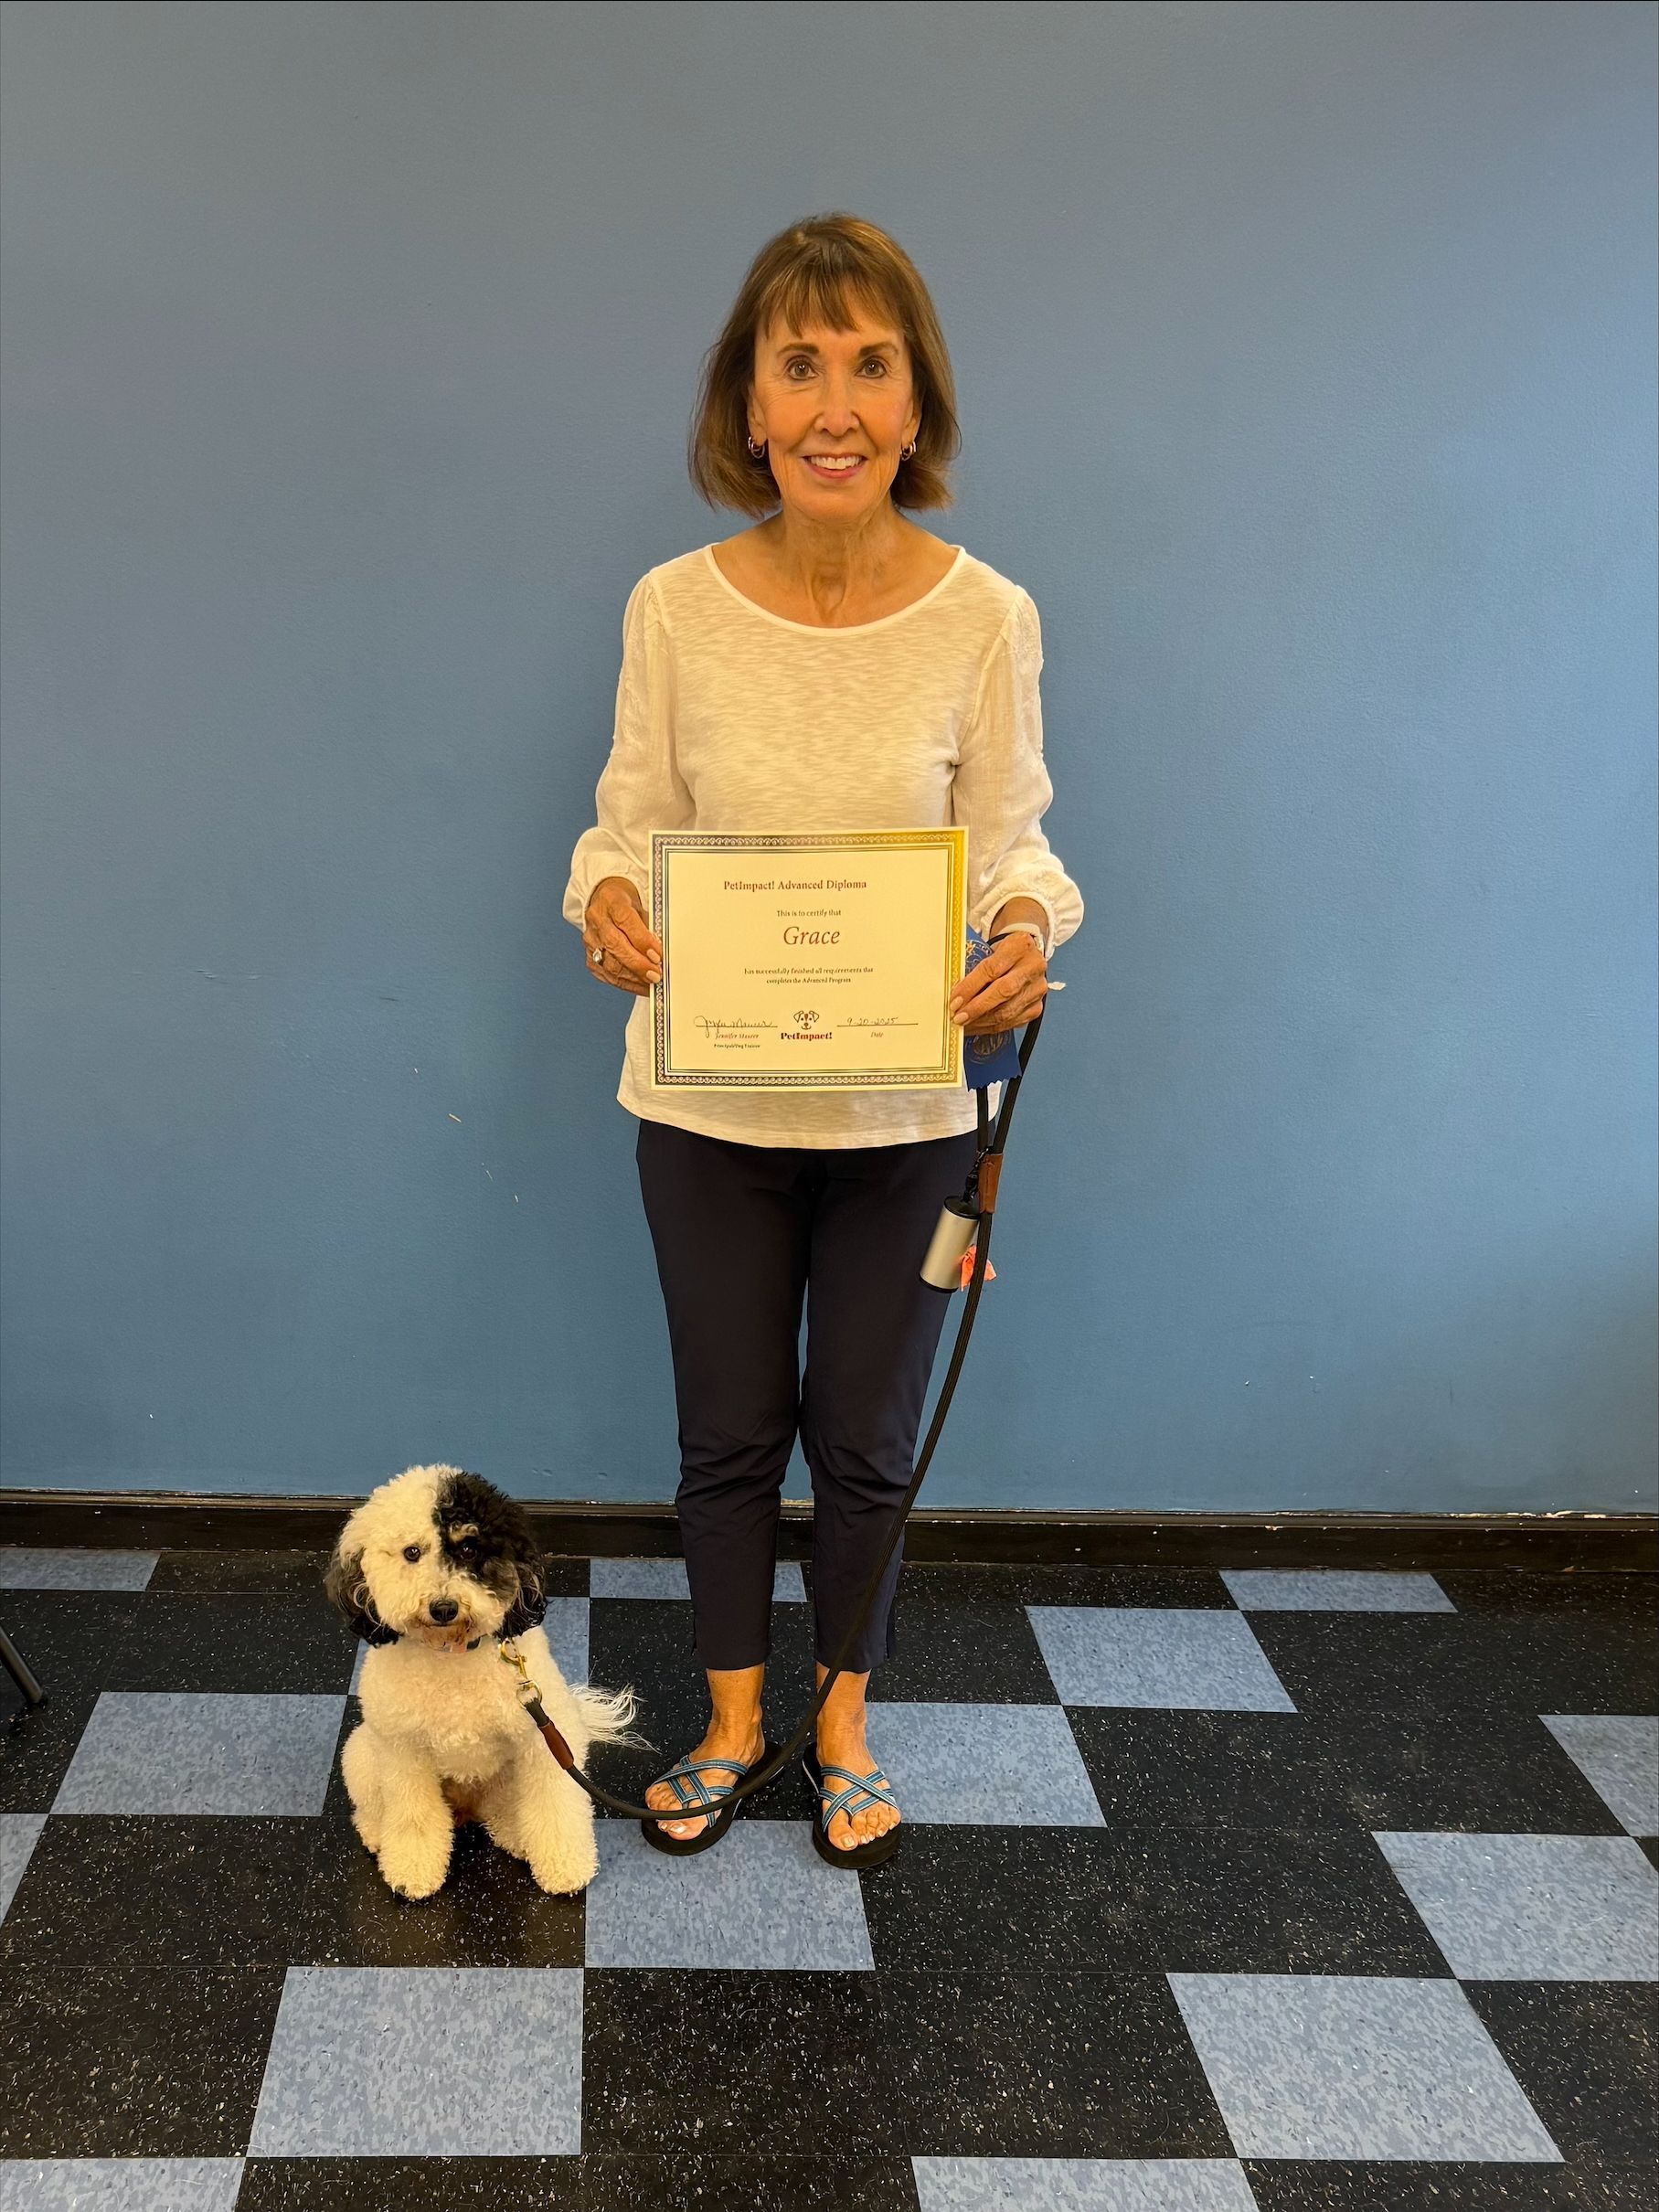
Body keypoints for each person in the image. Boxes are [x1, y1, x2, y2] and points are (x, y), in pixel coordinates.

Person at [562, 211, 1084, 1866]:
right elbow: (627, 826)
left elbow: (1018, 848)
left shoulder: (987, 618)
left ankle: (841, 1728)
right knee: (726, 1436)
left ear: (917, 406)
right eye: (801, 367)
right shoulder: (673, 609)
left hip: (907, 1122)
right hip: (707, 1110)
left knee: (866, 1442)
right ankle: (733, 1726)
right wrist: (606, 902)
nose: (837, 406)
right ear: (753, 404)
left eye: (872, 366)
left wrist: (1024, 935)